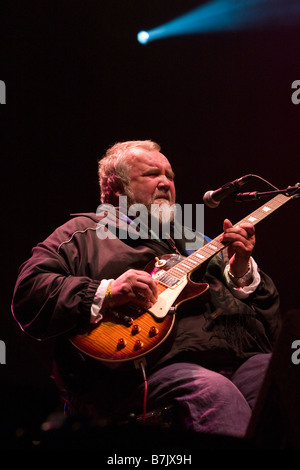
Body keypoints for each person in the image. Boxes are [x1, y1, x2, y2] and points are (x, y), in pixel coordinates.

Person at [11, 140, 281, 439]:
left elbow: (272, 330)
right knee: (211, 391)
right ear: (115, 187)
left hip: (235, 360)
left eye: (170, 175)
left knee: (279, 375)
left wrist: (242, 272)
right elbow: (29, 292)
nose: (166, 182)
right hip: (142, 373)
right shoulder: (82, 234)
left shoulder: (200, 241)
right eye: (152, 174)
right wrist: (109, 290)